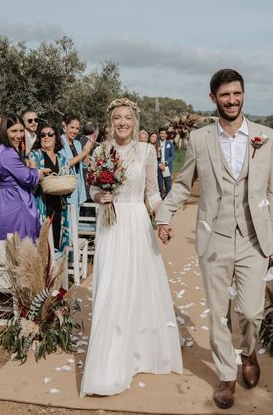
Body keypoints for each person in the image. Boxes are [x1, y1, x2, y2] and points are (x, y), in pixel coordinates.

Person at [156, 69, 273, 409]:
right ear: (213, 97)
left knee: (252, 311)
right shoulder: (199, 140)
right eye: (225, 95)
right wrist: (164, 214)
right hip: (214, 237)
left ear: (243, 94)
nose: (232, 100)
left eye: (237, 93)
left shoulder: (266, 137)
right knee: (217, 312)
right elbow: (183, 184)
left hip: (254, 238)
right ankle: (227, 376)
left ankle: (250, 350)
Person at [81, 98, 182, 396]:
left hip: (137, 223)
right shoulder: (101, 151)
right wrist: (98, 196)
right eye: (117, 118)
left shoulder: (148, 151)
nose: (122, 122)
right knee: (112, 286)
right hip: (111, 226)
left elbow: (152, 191)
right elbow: (93, 187)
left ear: (134, 121)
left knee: (138, 286)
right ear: (110, 122)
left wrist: (162, 220)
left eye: (127, 117)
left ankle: (141, 353)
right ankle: (110, 360)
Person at [0, 113, 48, 241]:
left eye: (21, 130)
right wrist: (37, 171)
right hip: (14, 202)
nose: (19, 135)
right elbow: (28, 178)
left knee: (7, 241)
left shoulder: (1, 148)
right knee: (18, 242)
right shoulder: (8, 152)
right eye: (14, 131)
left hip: (4, 200)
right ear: (5, 131)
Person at [29, 123, 68, 251]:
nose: (46, 137)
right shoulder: (35, 155)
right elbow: (32, 177)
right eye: (43, 135)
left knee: (56, 244)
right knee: (42, 245)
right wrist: (39, 173)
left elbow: (67, 178)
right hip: (42, 203)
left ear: (56, 137)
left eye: (50, 134)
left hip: (58, 204)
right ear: (39, 138)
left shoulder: (62, 159)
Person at [59, 114, 95, 211]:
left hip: (79, 188)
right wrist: (84, 153)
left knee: (75, 223)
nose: (75, 131)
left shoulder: (77, 143)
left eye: (77, 128)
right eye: (72, 127)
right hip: (66, 187)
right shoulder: (59, 142)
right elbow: (65, 164)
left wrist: (87, 150)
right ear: (65, 127)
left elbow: (84, 165)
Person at [157, 127, 175, 198]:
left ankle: (168, 200)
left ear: (166, 135)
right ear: (159, 134)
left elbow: (173, 156)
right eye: (161, 133)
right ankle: (160, 199)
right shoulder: (156, 143)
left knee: (168, 185)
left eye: (164, 134)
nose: (162, 135)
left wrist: (165, 163)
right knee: (159, 185)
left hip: (167, 166)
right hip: (158, 166)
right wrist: (159, 164)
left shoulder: (170, 144)